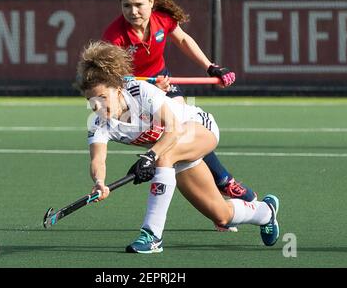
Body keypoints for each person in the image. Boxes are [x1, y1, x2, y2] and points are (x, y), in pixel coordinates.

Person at [76, 41, 280, 253]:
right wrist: (100, 182)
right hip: (174, 152)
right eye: (91, 102)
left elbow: (173, 128)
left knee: (163, 158)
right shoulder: (98, 123)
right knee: (222, 215)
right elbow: (98, 160)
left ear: (118, 89)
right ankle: (265, 212)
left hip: (196, 128)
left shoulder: (139, 91)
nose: (98, 106)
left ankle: (152, 235)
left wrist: (150, 156)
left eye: (102, 97)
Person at [102, 0, 256, 216]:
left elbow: (183, 41)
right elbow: (111, 79)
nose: (133, 12)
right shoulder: (115, 36)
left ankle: (225, 184)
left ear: (152, 2)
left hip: (162, 79)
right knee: (173, 146)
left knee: (186, 130)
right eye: (127, 6)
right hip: (133, 92)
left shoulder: (162, 20)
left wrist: (211, 67)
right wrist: (140, 86)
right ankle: (222, 195)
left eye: (139, 5)